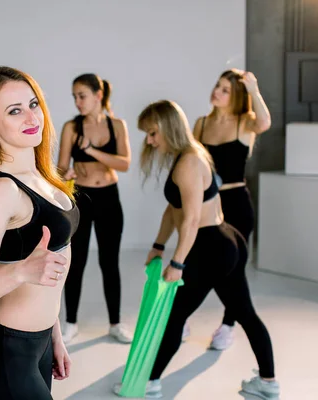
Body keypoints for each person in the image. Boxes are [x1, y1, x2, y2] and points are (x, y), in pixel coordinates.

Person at [113, 100, 279, 400]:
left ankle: (148, 383)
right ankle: (268, 383)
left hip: (210, 247)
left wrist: (177, 262)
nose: (149, 141)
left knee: (174, 317)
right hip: (225, 242)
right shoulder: (189, 155)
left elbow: (189, 220)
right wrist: (158, 245)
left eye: (152, 133)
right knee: (245, 313)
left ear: (167, 128)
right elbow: (173, 208)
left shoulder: (189, 161)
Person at [0, 66, 80, 399]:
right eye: (15, 111)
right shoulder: (1, 190)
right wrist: (22, 270)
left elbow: (49, 272)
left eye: (33, 104)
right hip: (8, 349)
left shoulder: (39, 174)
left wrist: (54, 333)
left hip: (39, 342)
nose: (31, 117)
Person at [192, 69, 271, 350]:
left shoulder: (245, 123)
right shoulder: (200, 124)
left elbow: (265, 121)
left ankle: (228, 325)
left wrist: (253, 88)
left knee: (232, 270)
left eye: (225, 89)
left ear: (235, 96)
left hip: (236, 204)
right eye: (217, 86)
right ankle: (182, 316)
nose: (217, 92)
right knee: (195, 262)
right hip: (207, 205)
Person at [57, 73, 133, 344]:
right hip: (82, 198)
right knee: (75, 262)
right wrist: (66, 172)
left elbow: (124, 163)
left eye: (82, 95)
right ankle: (71, 323)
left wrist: (92, 150)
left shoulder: (117, 125)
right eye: (74, 97)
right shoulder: (71, 128)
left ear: (98, 95)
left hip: (110, 199)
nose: (77, 102)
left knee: (109, 262)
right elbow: (60, 167)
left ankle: (115, 323)